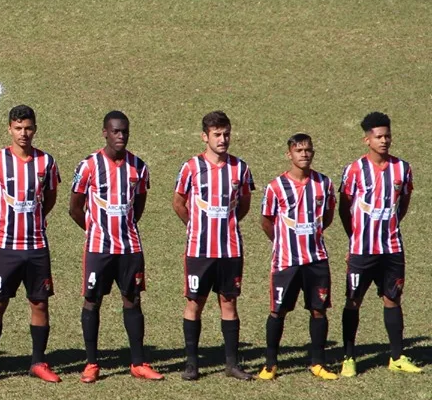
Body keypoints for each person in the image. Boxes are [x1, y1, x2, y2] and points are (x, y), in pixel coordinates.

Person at [69, 111, 163, 382]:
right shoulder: (89, 165)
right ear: (105, 133)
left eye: (124, 131)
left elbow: (140, 204)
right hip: (98, 247)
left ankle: (138, 362)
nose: (121, 136)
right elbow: (75, 207)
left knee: (132, 299)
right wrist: (95, 229)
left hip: (130, 247)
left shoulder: (138, 167)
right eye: (115, 131)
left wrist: (125, 228)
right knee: (92, 301)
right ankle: (91, 363)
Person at [0, 105, 61, 385]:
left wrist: (38, 218)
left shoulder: (46, 162)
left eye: (28, 128)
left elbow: (50, 196)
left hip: (36, 245)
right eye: (18, 128)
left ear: (35, 129)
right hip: (4, 245)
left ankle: (38, 361)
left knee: (39, 303)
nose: (23, 133)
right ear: (9, 129)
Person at [172, 111, 255, 381]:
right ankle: (191, 364)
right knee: (195, 302)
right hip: (199, 250)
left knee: (229, 303)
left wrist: (226, 224)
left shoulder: (239, 168)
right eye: (217, 134)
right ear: (204, 137)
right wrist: (196, 225)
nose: (223, 139)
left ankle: (231, 364)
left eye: (226, 133)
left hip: (230, 249)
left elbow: (243, 204)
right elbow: (179, 203)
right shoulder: (191, 168)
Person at [339, 112, 420, 375]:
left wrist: (391, 225)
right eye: (379, 137)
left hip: (392, 249)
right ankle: (349, 357)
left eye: (387, 136)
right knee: (353, 300)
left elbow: (403, 203)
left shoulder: (402, 169)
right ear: (367, 140)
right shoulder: (354, 170)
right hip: (362, 250)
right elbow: (344, 209)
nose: (384, 141)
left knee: (393, 299)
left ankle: (396, 356)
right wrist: (355, 238)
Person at [258, 133, 337, 380]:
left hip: (316, 260)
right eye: (299, 150)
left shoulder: (324, 183)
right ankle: (270, 364)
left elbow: (328, 216)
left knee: (318, 310)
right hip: (286, 261)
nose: (304, 154)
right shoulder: (275, 187)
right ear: (289, 154)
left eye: (308, 150)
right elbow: (266, 221)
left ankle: (318, 363)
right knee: (278, 311)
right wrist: (282, 241)